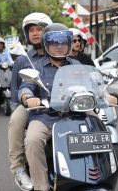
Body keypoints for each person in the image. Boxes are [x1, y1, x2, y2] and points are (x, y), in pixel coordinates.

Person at [18, 23, 80, 191]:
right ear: (47, 44)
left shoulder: (76, 65)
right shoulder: (36, 67)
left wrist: (105, 94)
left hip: (75, 115)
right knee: (32, 140)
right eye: (54, 43)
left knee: (102, 129)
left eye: (63, 42)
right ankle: (41, 186)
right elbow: (25, 87)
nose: (59, 47)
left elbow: (92, 83)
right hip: (45, 116)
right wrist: (28, 97)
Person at [8, 12, 52, 191]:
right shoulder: (23, 60)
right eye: (31, 30)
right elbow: (15, 88)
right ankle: (18, 168)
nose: (35, 33)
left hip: (58, 103)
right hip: (30, 104)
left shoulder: (59, 53)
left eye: (39, 29)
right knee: (16, 121)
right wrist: (20, 103)